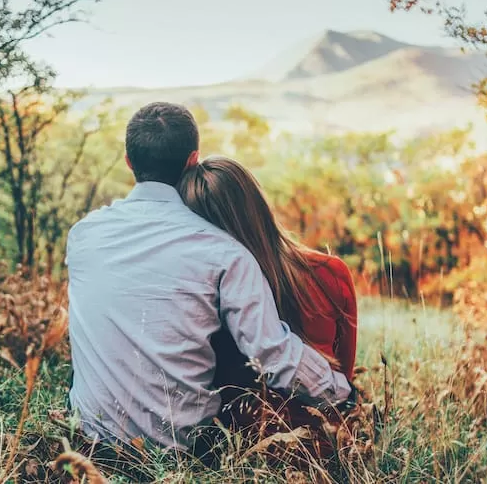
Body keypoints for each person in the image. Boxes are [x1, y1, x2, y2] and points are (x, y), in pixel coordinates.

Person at [66, 102, 355, 463]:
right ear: (193, 160)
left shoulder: (82, 236)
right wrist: (344, 394)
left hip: (91, 444)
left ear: (128, 161)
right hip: (179, 453)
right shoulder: (225, 253)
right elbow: (271, 354)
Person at [177, 156, 358, 446]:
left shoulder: (205, 293)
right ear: (257, 206)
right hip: (329, 440)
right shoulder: (330, 273)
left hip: (246, 449)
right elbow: (344, 375)